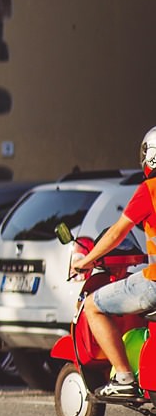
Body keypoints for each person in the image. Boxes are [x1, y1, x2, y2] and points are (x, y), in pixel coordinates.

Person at [69, 126, 156, 399]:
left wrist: (87, 260)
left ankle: (124, 376)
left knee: (93, 305)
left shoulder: (149, 190)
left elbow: (117, 232)